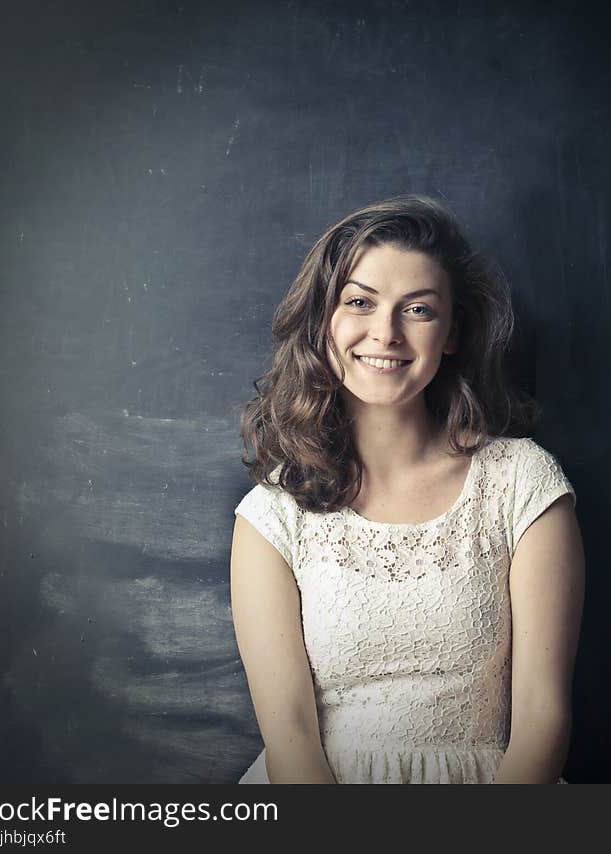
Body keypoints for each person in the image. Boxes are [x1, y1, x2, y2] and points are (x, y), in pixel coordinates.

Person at [230, 195, 585, 784]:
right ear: (324, 321)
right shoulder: (272, 515)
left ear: (450, 333)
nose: (385, 333)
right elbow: (289, 737)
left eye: (417, 309)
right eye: (359, 302)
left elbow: (543, 720)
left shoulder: (523, 483)